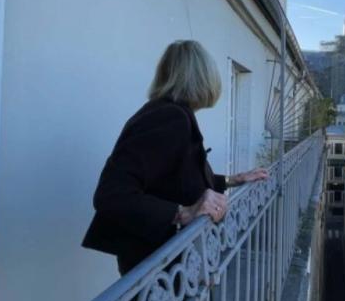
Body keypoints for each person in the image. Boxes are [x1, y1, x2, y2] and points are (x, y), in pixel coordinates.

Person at [82, 39, 268, 277]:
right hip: (160, 270)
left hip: (167, 266)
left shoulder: (168, 113)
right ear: (201, 78)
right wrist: (183, 213)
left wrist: (233, 179)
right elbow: (111, 195)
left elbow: (178, 179)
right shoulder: (169, 117)